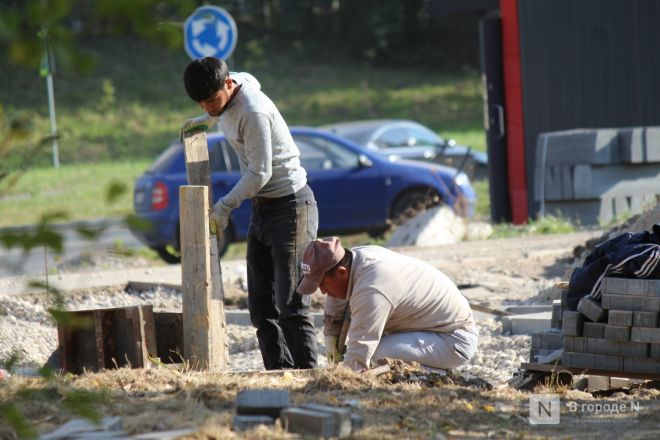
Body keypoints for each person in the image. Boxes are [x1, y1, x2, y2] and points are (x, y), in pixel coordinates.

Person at [182, 57, 318, 370]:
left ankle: (310, 381)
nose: (209, 110)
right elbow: (238, 90)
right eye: (201, 104)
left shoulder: (253, 111)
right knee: (261, 306)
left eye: (212, 101)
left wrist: (224, 207)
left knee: (291, 304)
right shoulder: (235, 84)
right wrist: (205, 120)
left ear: (228, 84)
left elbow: (259, 173)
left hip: (291, 205)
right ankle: (279, 375)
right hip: (263, 208)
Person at [297, 237, 478, 372]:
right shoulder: (355, 258)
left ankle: (436, 372)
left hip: (453, 340)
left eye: (322, 284)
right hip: (427, 328)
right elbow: (335, 298)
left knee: (374, 358)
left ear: (342, 273)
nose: (322, 292)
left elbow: (360, 352)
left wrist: (339, 379)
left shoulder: (373, 286)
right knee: (360, 354)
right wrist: (332, 341)